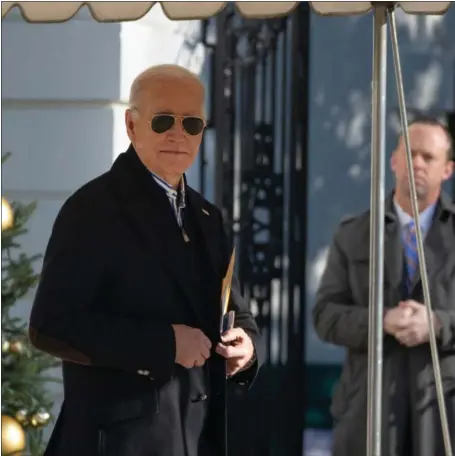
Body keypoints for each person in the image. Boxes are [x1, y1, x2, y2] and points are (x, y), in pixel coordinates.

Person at [29, 64, 262, 456]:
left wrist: (248, 348)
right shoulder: (92, 210)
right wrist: (163, 343)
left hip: (196, 437)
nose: (177, 134)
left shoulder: (209, 218)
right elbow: (50, 326)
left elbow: (237, 314)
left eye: (191, 123)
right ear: (132, 125)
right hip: (118, 443)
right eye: (163, 120)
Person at [313, 117, 455, 456]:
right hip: (368, 413)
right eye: (409, 153)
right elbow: (325, 316)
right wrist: (382, 320)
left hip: (442, 414)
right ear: (393, 161)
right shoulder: (354, 233)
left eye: (428, 157)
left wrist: (436, 324)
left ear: (447, 170)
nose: (416, 163)